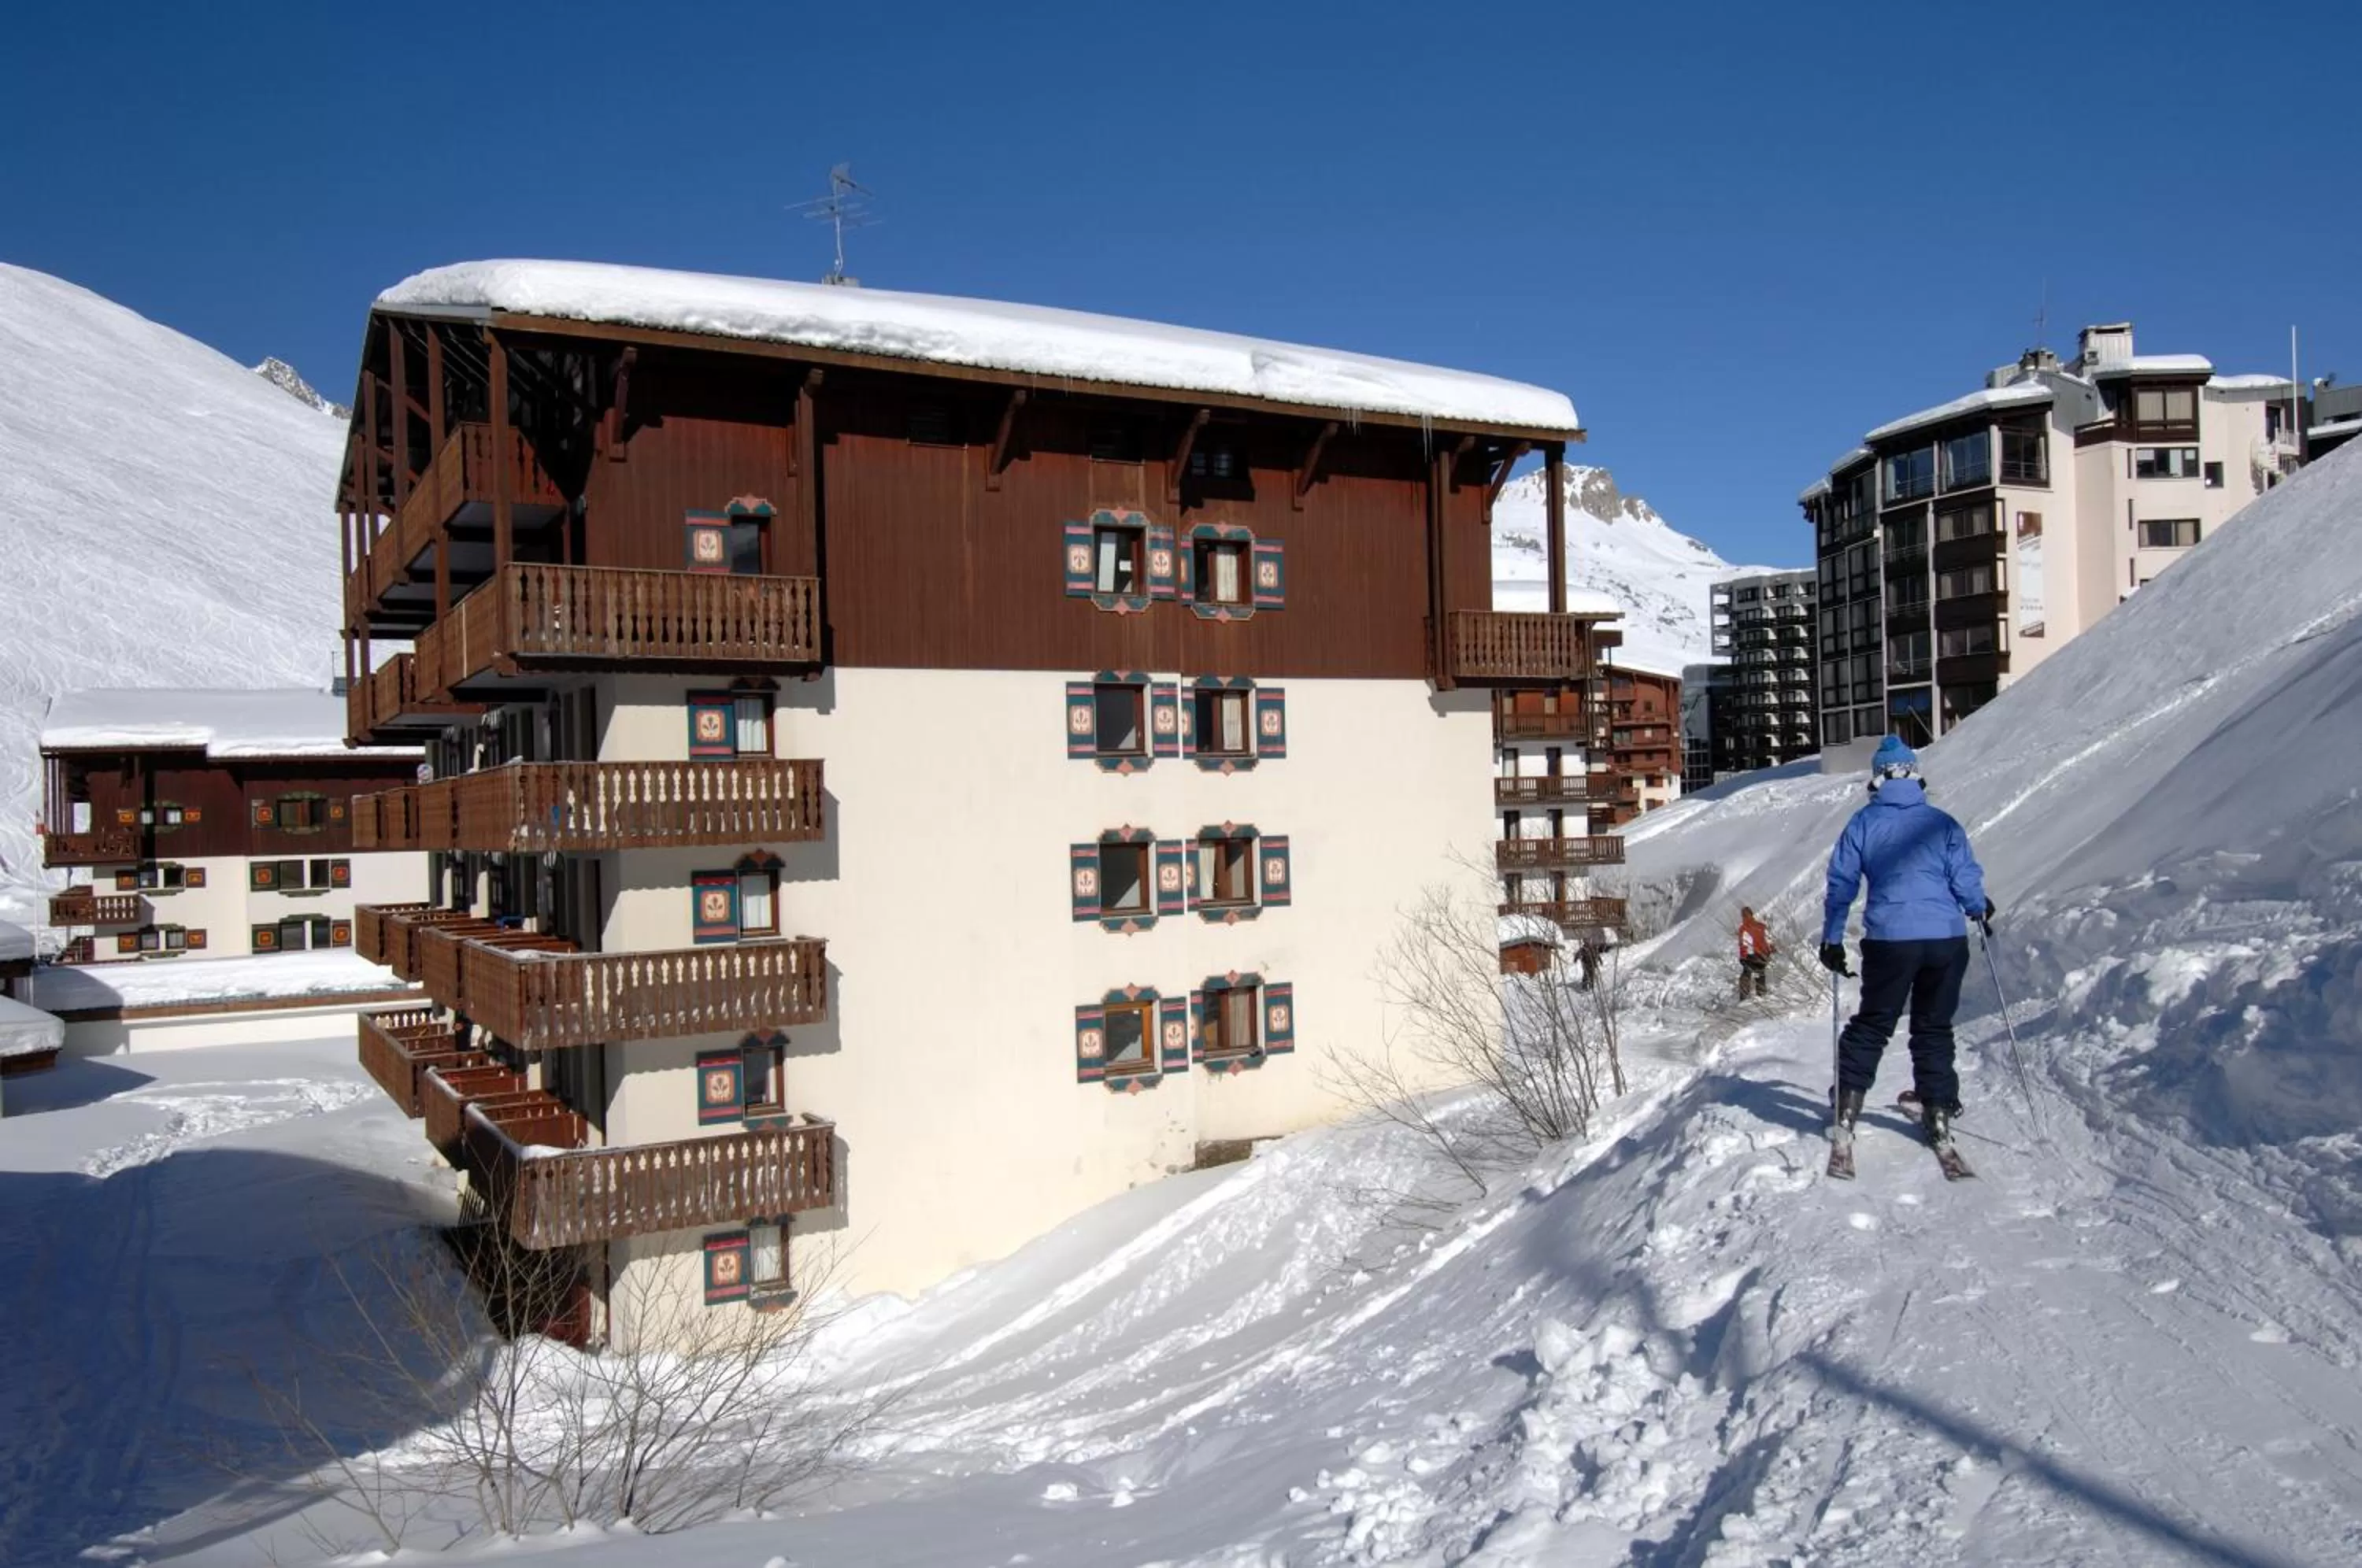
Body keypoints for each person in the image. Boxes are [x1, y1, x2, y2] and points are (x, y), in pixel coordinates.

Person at [1819, 735, 1995, 1152]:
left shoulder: (1863, 824)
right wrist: (1977, 907)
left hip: (1891, 940)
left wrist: (1832, 939)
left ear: (1877, 779)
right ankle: (1938, 1110)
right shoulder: (1941, 823)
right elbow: (1964, 876)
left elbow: (1842, 884)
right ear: (1914, 775)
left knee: (1874, 1023)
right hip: (1946, 939)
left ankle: (1847, 1106)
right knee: (1934, 1025)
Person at [1736, 906, 1773, 1000]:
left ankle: (1744, 997)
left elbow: (1744, 944)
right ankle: (1761, 994)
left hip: (1753, 956)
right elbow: (1769, 940)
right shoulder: (1761, 926)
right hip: (1763, 955)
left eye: (1744, 915)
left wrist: (1743, 958)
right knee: (1760, 973)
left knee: (1747, 974)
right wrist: (1771, 951)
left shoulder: (1743, 929)